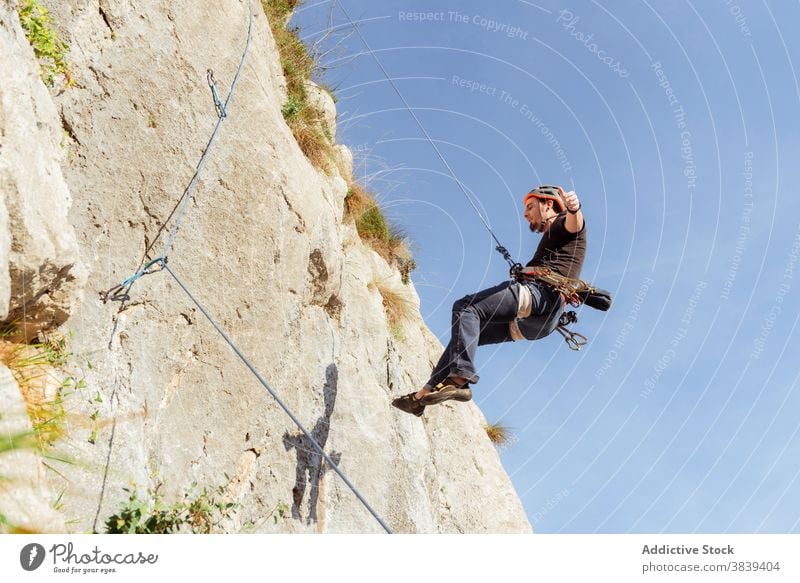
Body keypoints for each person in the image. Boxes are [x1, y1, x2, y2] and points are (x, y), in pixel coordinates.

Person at [392, 185, 586, 417]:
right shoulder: (553, 241)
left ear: (549, 204)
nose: (525, 214)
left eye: (530, 207)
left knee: (466, 308)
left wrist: (575, 208)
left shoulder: (563, 222)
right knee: (470, 335)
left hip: (540, 297)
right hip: (541, 323)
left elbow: (576, 224)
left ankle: (459, 378)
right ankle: (423, 395)